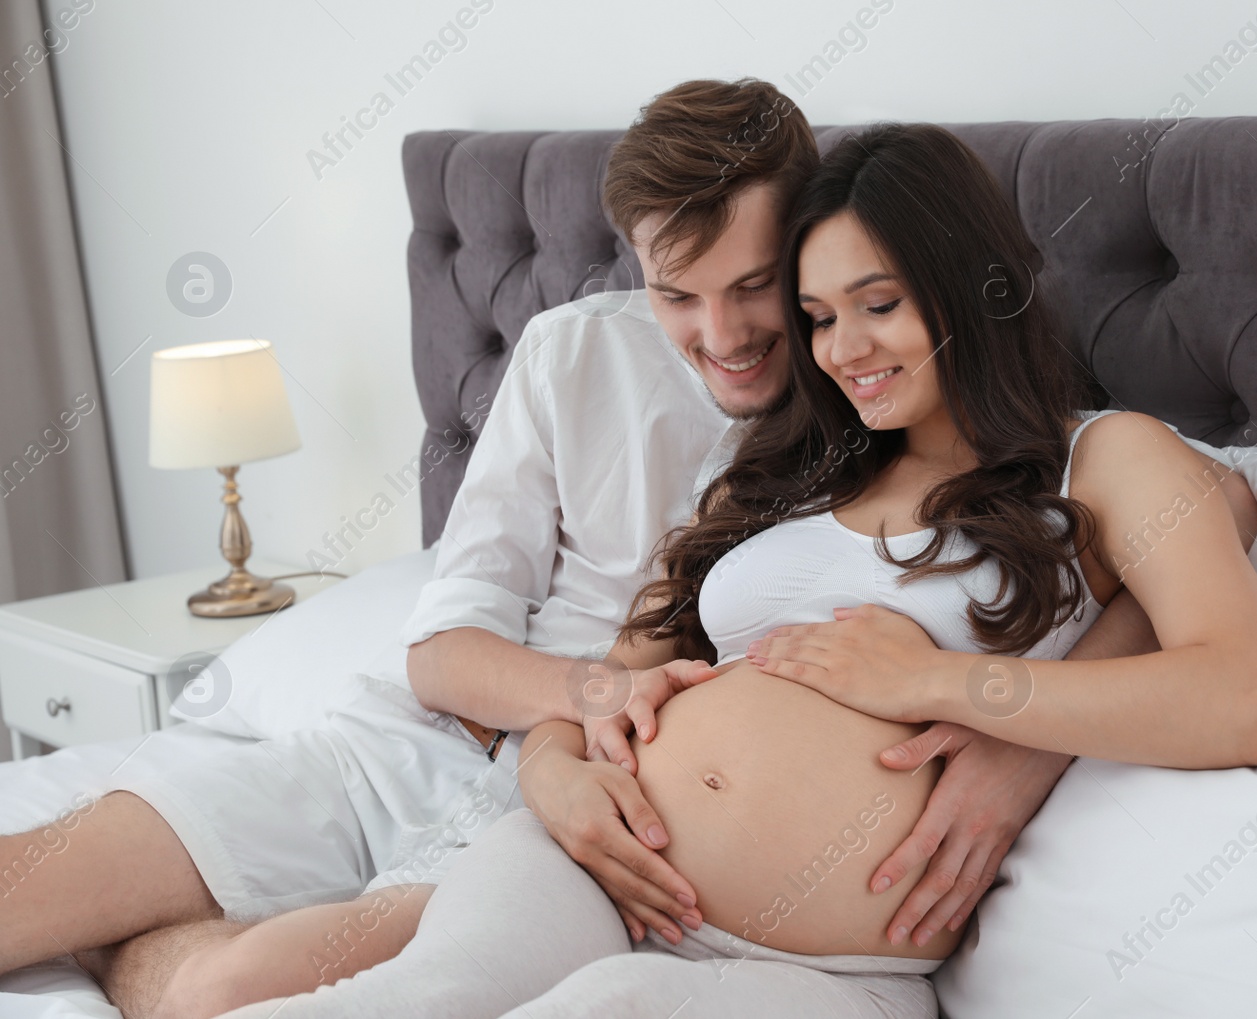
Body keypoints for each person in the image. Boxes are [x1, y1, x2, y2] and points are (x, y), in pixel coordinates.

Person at [0, 80, 1174, 1019]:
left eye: (765, 288)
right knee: (28, 883)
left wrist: (1026, 735)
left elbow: (1191, 512)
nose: (723, 335)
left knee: (230, 985)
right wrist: (578, 722)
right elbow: (445, 645)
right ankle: (103, 934)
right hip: (458, 738)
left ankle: (127, 956)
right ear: (637, 267)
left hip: (594, 807)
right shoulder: (575, 354)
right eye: (677, 293)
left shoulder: (863, 406)